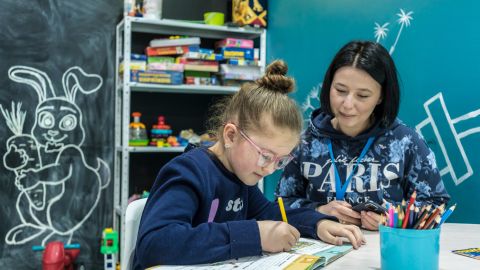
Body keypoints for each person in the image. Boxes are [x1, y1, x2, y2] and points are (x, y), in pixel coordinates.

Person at [133, 60, 365, 269]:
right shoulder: (189, 172)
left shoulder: (240, 175)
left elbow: (271, 214)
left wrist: (317, 223)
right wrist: (255, 235)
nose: (269, 169)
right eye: (265, 155)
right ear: (231, 136)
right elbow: (155, 244)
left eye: (281, 160)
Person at [276, 41, 450, 231]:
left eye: (363, 96)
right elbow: (279, 204)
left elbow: (435, 204)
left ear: (381, 97)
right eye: (340, 91)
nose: (347, 104)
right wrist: (318, 210)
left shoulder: (405, 142)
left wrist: (391, 221)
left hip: (381, 252)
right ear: (328, 86)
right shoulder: (305, 140)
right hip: (320, 248)